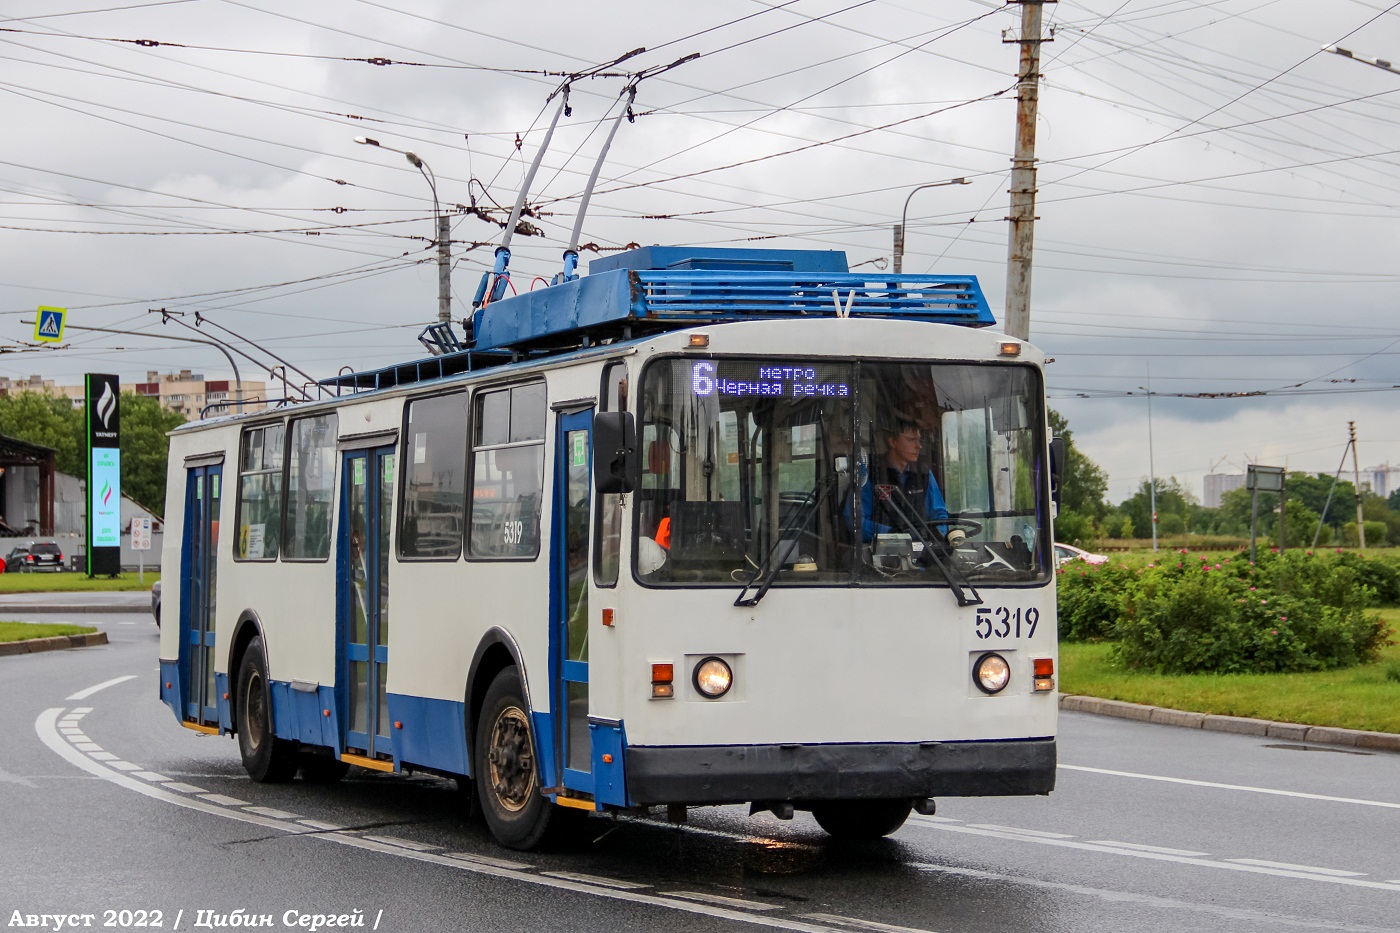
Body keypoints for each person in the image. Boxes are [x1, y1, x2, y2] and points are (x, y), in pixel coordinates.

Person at [857, 420, 965, 547]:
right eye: (911, 440)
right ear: (892, 442)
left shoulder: (924, 473)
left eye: (919, 440)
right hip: (881, 554)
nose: (918, 446)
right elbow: (855, 520)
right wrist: (892, 534)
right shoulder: (870, 473)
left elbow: (939, 514)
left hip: (922, 553)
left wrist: (939, 537)